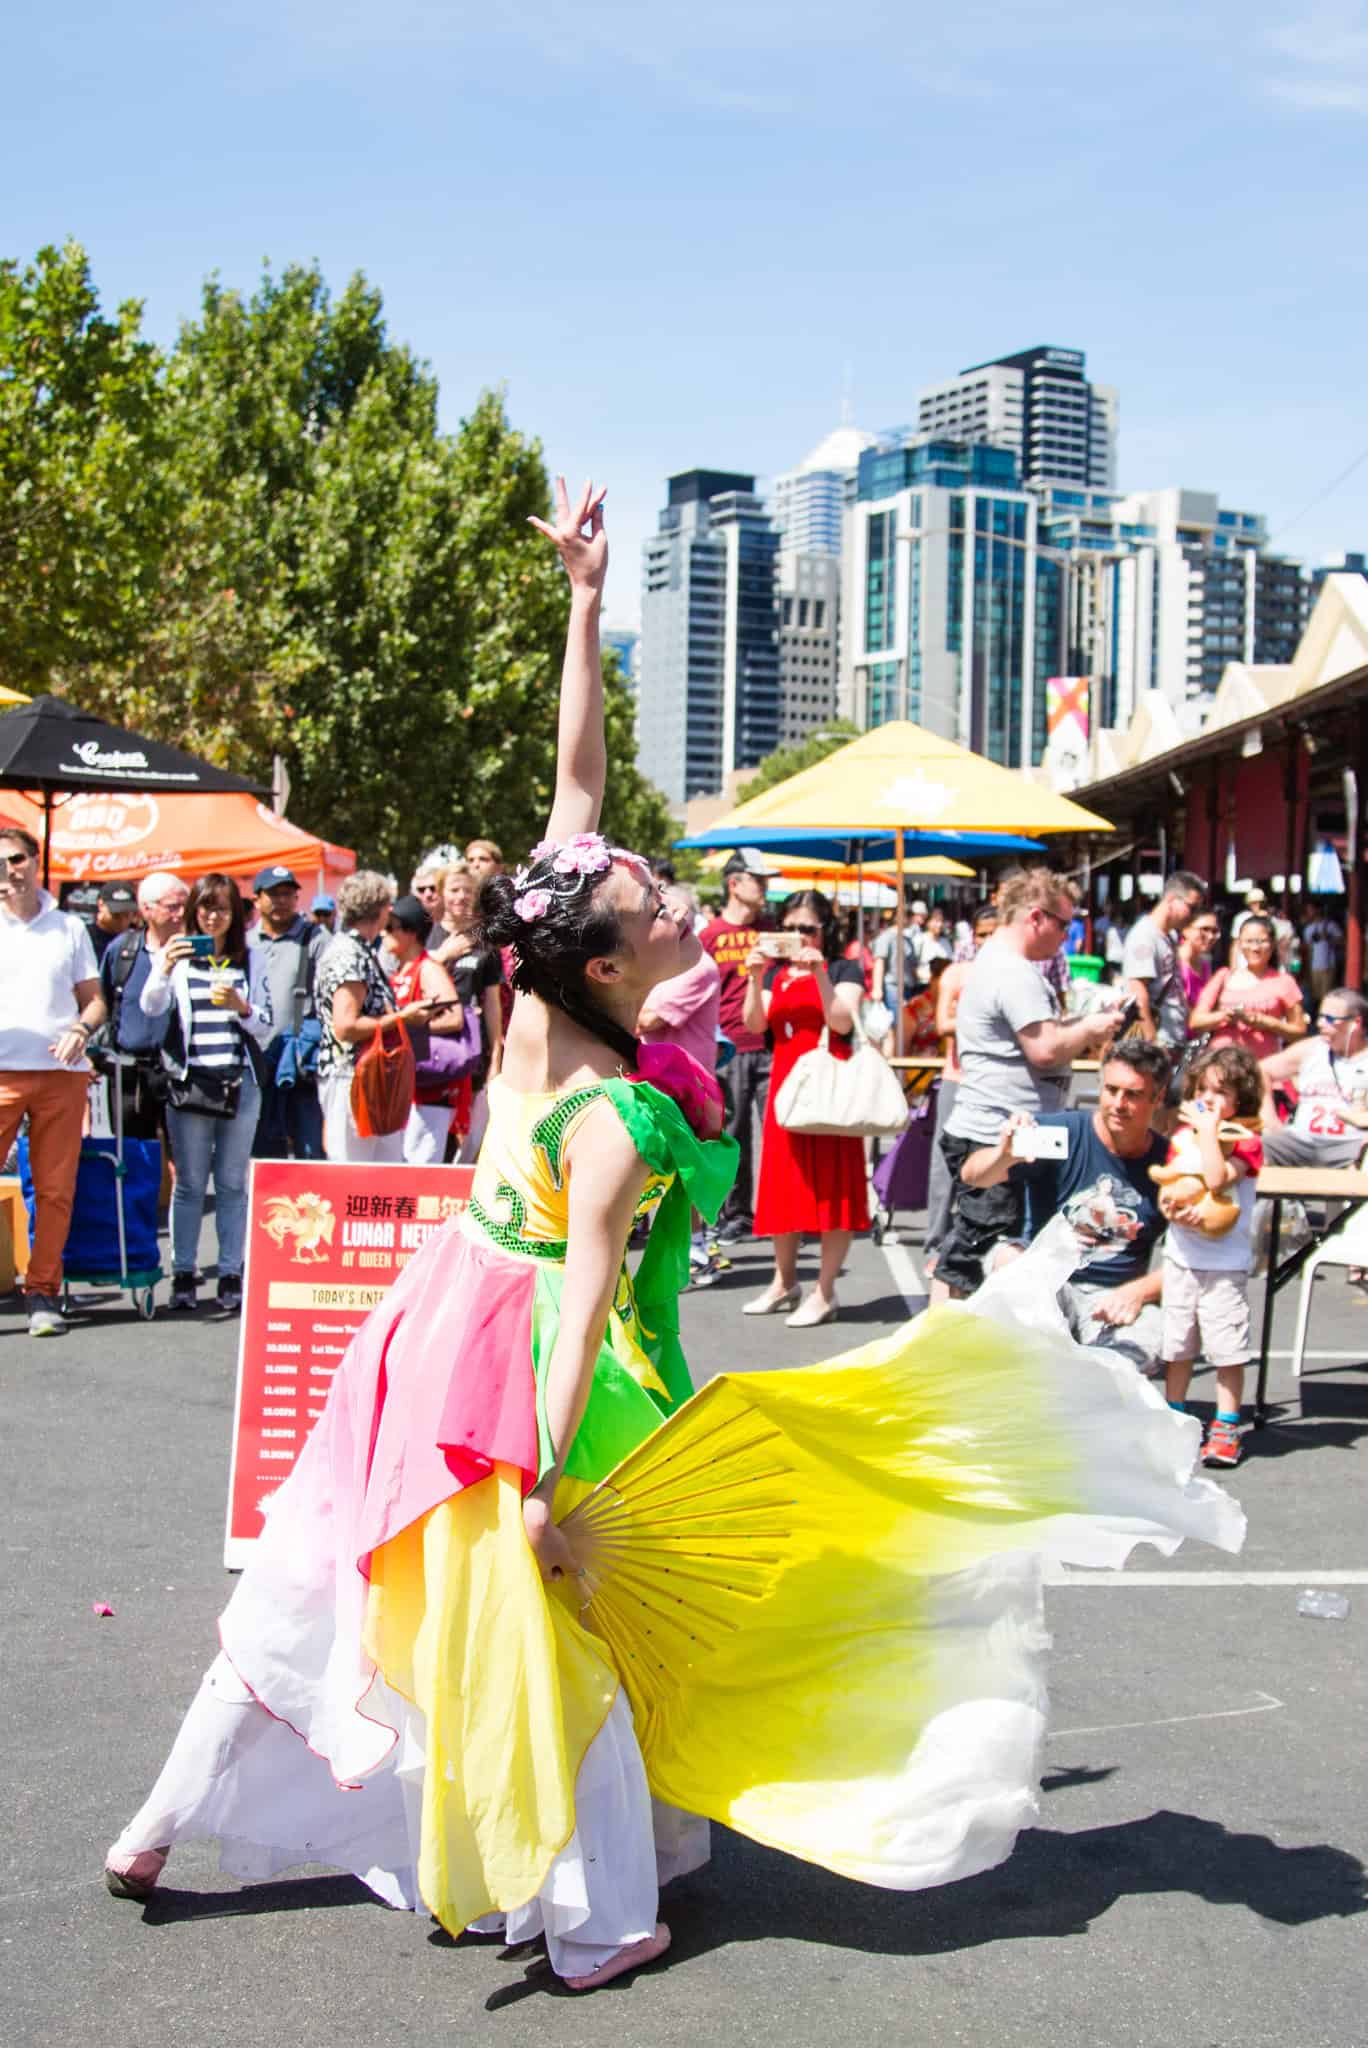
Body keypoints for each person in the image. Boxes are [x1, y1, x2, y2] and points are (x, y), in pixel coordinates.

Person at [103, 477, 1245, 1989]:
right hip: (538, 1384)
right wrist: (542, 1492)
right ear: (601, 959)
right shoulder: (622, 1121)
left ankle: (166, 1817)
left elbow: (573, 803)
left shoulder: (531, 1014)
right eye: (655, 909)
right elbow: (578, 1320)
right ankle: (595, 1919)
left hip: (429, 1339)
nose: (678, 906)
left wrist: (585, 605)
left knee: (324, 1570)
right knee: (571, 1633)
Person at [936, 869, 1121, 1300]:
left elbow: (1042, 1039)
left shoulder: (1000, 965)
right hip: (997, 1133)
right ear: (1036, 917)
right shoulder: (1012, 971)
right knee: (976, 1254)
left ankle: (949, 1348)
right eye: (1064, 925)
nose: (1067, 937)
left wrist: (1079, 1025)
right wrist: (1092, 1026)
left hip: (1002, 1129)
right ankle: (940, 1351)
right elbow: (1044, 1048)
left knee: (982, 1250)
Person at [959, 1037, 1173, 1374]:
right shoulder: (1062, 1133)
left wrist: (1140, 1291)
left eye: (1132, 1094)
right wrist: (1004, 1154)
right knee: (1010, 1262)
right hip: (1050, 1281)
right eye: (1111, 1090)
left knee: (1152, 1339)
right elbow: (973, 1175)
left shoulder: (1169, 1163)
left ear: (1158, 1098)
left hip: (1113, 1299)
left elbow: (1194, 1259)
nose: (1118, 1103)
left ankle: (1091, 1389)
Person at [137, 872, 273, 1315]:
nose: (213, 916)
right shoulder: (179, 958)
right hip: (191, 1085)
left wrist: (243, 1008)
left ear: (234, 914)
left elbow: (269, 1027)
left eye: (222, 908)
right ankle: (184, 1272)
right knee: (190, 1184)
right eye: (205, 907)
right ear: (194, 912)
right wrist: (163, 966)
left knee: (233, 1183)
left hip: (240, 1083)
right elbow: (150, 1007)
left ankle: (231, 1272)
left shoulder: (249, 958)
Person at [741, 888, 868, 1327]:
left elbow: (842, 1021)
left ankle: (824, 1291)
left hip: (829, 1084)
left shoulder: (844, 967)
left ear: (824, 929)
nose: (797, 936)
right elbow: (755, 1025)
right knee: (782, 1184)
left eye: (806, 928)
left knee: (833, 1188)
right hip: (786, 1083)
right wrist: (755, 979)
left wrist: (819, 974)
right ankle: (783, 1282)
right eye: (790, 928)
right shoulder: (776, 975)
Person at [0, 821, 105, 1337]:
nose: (8, 871)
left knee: (55, 1189)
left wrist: (82, 1029)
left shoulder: (68, 927)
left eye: (16, 859)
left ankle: (41, 1293)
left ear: (35, 862)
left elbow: (96, 999)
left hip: (61, 1075)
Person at [1159, 1046, 1264, 1468]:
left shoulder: (1246, 1141)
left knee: (1226, 1349)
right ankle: (1174, 1416)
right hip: (1182, 1257)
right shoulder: (1182, 1138)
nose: (1207, 1100)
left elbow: (1218, 1177)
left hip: (1225, 1264)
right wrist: (1171, 1206)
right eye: (1201, 1090)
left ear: (1240, 1099)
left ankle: (1225, 1426)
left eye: (1220, 1092)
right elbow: (1171, 1185)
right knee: (1178, 1345)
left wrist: (1207, 1130)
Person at [315, 872, 439, 1164]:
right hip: (353, 1077)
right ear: (381, 908)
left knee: (376, 1173)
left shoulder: (357, 949)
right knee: (354, 1176)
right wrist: (402, 1018)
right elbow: (346, 1026)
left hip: (363, 1077)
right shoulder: (349, 953)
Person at [637, 882, 723, 1284]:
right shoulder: (662, 964)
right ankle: (681, 1249)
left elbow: (645, 1020)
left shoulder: (698, 966)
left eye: (669, 914)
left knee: (686, 1172)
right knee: (660, 1169)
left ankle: (697, 1250)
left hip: (687, 1085)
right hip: (657, 1079)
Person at [699, 846, 775, 1240]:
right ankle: (737, 1214)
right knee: (734, 1134)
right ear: (734, 884)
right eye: (758, 881)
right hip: (727, 1048)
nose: (764, 889)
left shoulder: (770, 931)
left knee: (779, 1134)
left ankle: (778, 1212)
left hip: (771, 1045)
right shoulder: (709, 936)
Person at [922, 907, 998, 1277]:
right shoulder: (957, 973)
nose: (985, 942)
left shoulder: (1014, 975)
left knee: (994, 1163)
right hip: (957, 1076)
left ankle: (984, 1242)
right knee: (944, 1162)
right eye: (981, 934)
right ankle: (935, 1239)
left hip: (997, 1082)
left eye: (992, 934)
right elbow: (941, 1024)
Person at [248, 864, 332, 1161]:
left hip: (300, 1060)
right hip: (257, 1058)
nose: (281, 901)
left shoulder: (316, 938)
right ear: (257, 898)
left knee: (310, 1146)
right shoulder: (246, 942)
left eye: (288, 894)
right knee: (264, 1147)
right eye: (273, 894)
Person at [383, 894, 468, 1163]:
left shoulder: (428, 969)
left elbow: (454, 1018)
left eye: (390, 927)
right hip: (403, 1087)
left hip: (428, 1088)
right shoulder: (400, 969)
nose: (384, 934)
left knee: (419, 1167)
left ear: (410, 931)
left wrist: (410, 1027)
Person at [430, 859, 506, 1159]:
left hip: (473, 1049)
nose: (460, 896)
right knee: (434, 1136)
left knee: (473, 1140)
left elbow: (492, 1003)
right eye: (453, 889)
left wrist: (496, 1057)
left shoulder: (485, 943)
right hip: (433, 1050)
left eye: (466, 890)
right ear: (441, 893)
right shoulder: (428, 937)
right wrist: (441, 955)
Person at [1258, 989, 1368, 1168]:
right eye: (1320, 1016)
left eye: (1330, 1019)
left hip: (1351, 1145)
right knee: (1254, 1150)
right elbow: (1261, 1070)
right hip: (1301, 1141)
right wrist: (1270, 1120)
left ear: (1356, 1023)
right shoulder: (1313, 1049)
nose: (1320, 1024)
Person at [1189, 914, 1306, 1063]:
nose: (1255, 948)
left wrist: (1268, 1023)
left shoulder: (1284, 982)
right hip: (1221, 1066)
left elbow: (1299, 1031)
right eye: (1249, 941)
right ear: (1239, 944)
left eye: (1262, 941)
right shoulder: (1223, 976)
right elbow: (1195, 1022)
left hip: (1263, 1067)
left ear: (1273, 944)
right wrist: (1225, 1016)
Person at [1121, 871, 1205, 1045]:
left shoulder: (1170, 936)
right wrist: (1152, 1041)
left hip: (1173, 1037)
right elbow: (1138, 991)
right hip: (1156, 1040)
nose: (1194, 915)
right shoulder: (1144, 936)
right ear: (1171, 900)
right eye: (1192, 907)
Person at [1178, 908, 1222, 1013]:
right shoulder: (1174, 964)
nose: (1210, 936)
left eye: (1215, 931)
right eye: (1204, 929)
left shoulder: (1205, 965)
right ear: (1185, 929)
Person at [1303, 906, 1344, 1008]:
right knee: (1315, 996)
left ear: (1318, 910)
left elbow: (1343, 941)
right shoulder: (1308, 928)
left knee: (1326, 996)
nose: (1309, 912)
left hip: (1328, 965)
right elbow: (1308, 948)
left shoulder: (1330, 925)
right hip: (1314, 967)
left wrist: (1328, 938)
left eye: (1311, 910)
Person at [89, 880, 138, 964]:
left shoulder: (137, 940)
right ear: (101, 905)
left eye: (126, 915)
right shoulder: (86, 937)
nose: (122, 921)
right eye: (116, 915)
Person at [409, 860, 447, 943]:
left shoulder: (457, 922)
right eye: (421, 890)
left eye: (433, 888)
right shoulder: (410, 928)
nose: (428, 894)